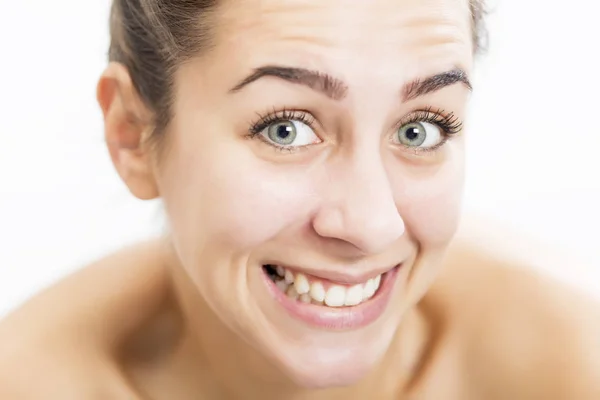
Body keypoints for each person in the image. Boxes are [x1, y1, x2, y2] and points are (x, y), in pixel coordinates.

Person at [1, 0, 599, 398]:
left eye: (420, 129)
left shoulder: (568, 368)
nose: (370, 224)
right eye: (285, 128)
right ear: (131, 134)